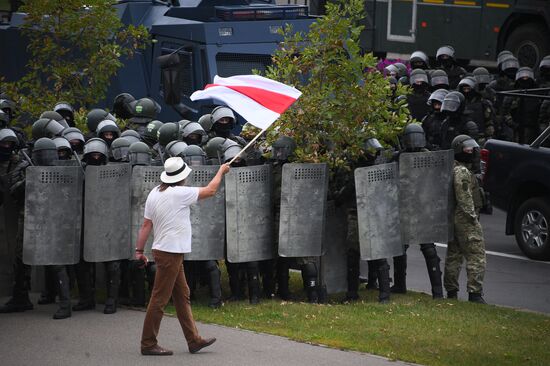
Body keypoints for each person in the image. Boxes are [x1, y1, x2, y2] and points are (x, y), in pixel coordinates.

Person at [134, 157, 229, 356]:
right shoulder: (180, 193)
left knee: (182, 296)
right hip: (170, 253)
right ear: (182, 177)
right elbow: (211, 190)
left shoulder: (155, 192)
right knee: (159, 299)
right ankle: (148, 343)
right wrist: (221, 171)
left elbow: (145, 226)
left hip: (167, 251)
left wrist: (139, 251)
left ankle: (193, 340)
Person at [444, 135, 487, 304]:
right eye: (467, 149)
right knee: (477, 255)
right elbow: (464, 198)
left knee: (454, 255)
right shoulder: (461, 171)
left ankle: (451, 292)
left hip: (456, 217)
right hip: (465, 218)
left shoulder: (455, 168)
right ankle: (475, 294)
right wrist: (473, 219)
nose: (471, 151)